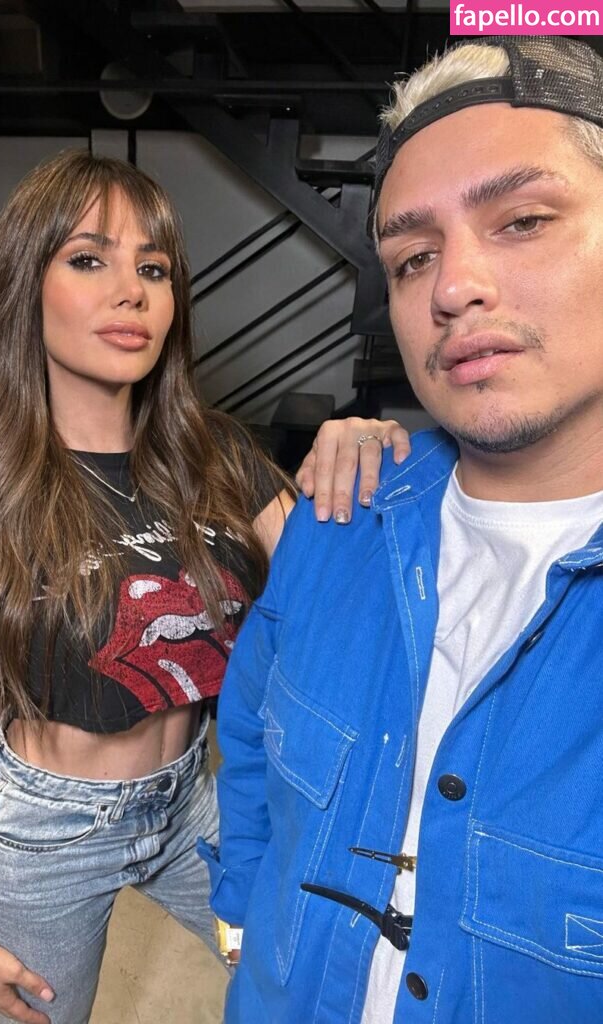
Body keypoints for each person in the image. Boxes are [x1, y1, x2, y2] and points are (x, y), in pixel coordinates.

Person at [0, 149, 411, 1024]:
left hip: (193, 796)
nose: (130, 293)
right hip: (46, 827)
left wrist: (369, 462)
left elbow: (345, 601)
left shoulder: (220, 458)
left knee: (295, 984)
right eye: (88, 260)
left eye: (153, 269)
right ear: (27, 288)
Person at [208, 34, 603, 1023]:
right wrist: (243, 916)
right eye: (412, 256)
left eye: (522, 220)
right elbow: (250, 733)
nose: (452, 286)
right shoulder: (336, 523)